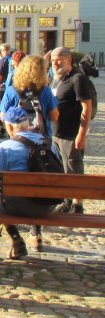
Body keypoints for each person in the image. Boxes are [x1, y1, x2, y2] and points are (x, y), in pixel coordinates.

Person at [0, 106, 63, 259]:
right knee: (39, 191)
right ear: (27, 124)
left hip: (18, 206)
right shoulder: (48, 143)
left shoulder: (5, 147)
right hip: (47, 206)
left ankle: (16, 238)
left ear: (9, 126)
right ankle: (36, 234)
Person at [50, 47, 95, 214]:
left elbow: (87, 108)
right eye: (53, 59)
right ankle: (66, 200)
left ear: (69, 59)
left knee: (74, 169)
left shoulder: (78, 79)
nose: (55, 62)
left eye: (59, 59)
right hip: (56, 132)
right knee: (62, 169)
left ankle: (78, 204)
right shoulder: (56, 78)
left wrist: (82, 134)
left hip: (71, 133)